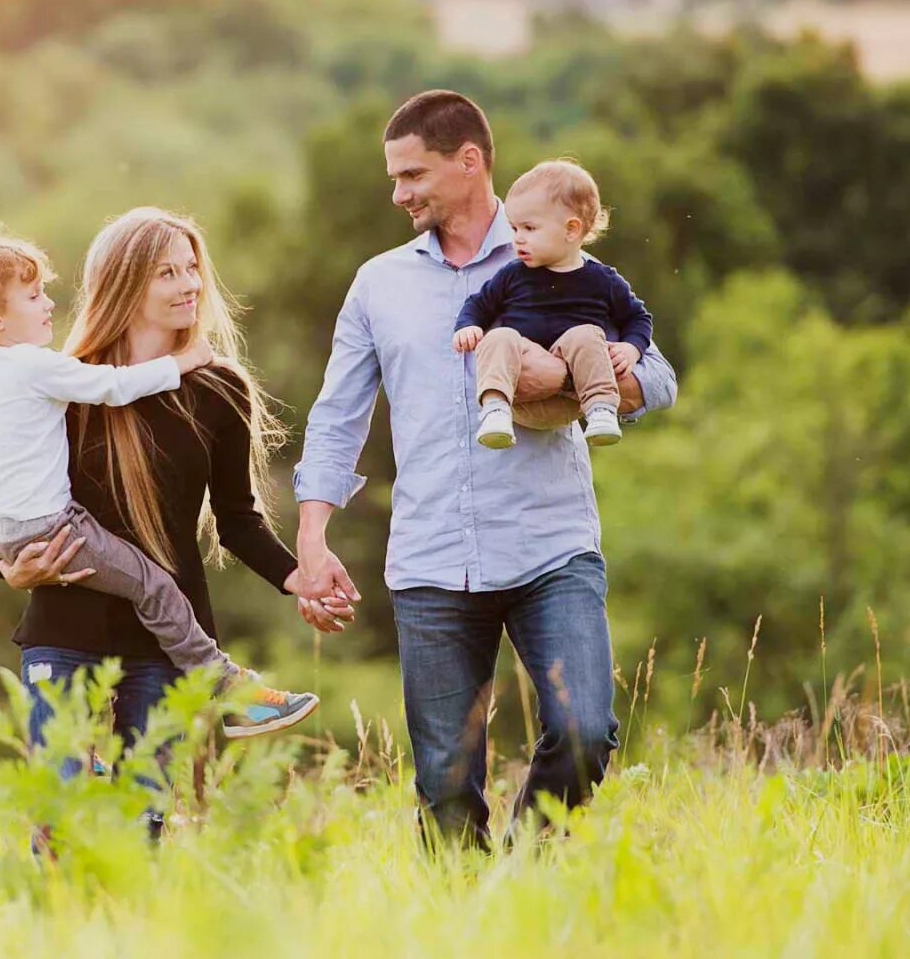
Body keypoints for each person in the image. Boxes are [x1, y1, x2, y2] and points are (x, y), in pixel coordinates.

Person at [291, 90, 678, 846]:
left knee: (584, 732)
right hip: (432, 558)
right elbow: (338, 414)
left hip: (550, 546)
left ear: (469, 162)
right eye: (394, 178)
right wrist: (312, 538)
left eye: (412, 175)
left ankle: (522, 877)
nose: (398, 193)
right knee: (443, 781)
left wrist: (585, 381)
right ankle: (466, 921)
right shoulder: (380, 283)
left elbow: (659, 376)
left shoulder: (568, 260)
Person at [0, 212, 319, 762]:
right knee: (62, 817)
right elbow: (3, 481)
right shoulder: (68, 381)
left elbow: (237, 519)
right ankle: (229, 689)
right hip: (65, 630)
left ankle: (234, 691)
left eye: (191, 268)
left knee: (145, 818)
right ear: (126, 283)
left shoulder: (219, 389)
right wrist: (6, 565)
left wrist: (301, 576)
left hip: (164, 642)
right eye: (167, 273)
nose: (189, 285)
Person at [452, 158, 654, 449]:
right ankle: (494, 409)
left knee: (585, 334)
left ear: (571, 230)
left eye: (529, 229)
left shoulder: (603, 280)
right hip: (522, 395)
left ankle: (602, 410)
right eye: (514, 228)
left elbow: (638, 317)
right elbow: (478, 304)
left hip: (576, 402)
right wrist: (468, 326)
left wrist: (632, 348)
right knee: (500, 336)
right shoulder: (513, 274)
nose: (517, 239)